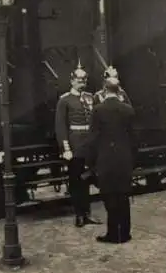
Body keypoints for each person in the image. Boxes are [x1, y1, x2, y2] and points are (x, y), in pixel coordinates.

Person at [86, 77, 136, 244]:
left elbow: (93, 139)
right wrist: (132, 159)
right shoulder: (128, 110)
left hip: (105, 159)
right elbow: (134, 138)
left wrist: (91, 162)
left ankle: (113, 233)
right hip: (124, 159)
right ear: (118, 89)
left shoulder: (97, 111)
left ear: (104, 89)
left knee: (110, 196)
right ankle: (125, 233)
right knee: (123, 196)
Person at [55, 63, 102, 227]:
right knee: (76, 181)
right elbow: (60, 126)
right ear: (72, 80)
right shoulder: (64, 100)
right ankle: (79, 214)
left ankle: (87, 212)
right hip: (75, 145)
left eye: (84, 79)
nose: (82, 82)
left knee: (87, 179)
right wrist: (65, 148)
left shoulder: (90, 97)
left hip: (88, 144)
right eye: (79, 79)